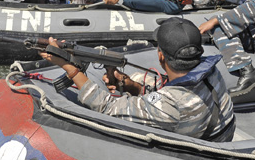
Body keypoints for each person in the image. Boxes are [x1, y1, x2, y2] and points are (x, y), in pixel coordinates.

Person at [38, 18, 236, 141]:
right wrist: (130, 85)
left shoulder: (170, 105)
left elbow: (106, 108)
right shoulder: (211, 72)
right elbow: (171, 91)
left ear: (160, 56)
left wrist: (68, 67)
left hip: (196, 154)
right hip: (219, 135)